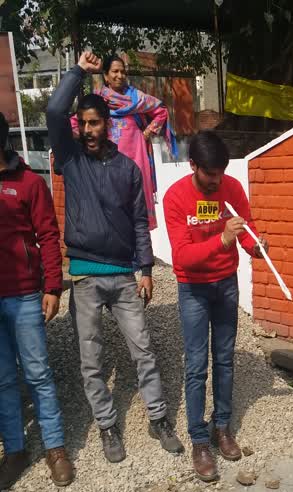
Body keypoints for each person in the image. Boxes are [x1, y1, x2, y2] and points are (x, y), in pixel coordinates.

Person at [47, 51, 182, 463]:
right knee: (91, 360)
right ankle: (107, 426)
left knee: (143, 349)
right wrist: (78, 73)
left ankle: (158, 419)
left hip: (125, 275)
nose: (88, 130)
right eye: (83, 123)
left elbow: (141, 222)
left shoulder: (128, 169)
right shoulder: (70, 160)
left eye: (95, 123)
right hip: (85, 276)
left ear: (108, 125)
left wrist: (145, 269)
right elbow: (55, 110)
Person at [163, 130, 267, 481]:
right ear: (193, 165)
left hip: (225, 284)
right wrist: (223, 238)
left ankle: (222, 427)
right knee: (195, 365)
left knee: (224, 358)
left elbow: (246, 228)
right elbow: (183, 255)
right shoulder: (176, 197)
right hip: (193, 288)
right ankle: (198, 439)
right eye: (210, 174)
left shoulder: (231, 188)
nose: (217, 181)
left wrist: (254, 246)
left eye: (220, 172)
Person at [0, 112, 75, 489]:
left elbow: (48, 235)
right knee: (2, 379)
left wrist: (52, 287)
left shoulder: (29, 183)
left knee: (38, 375)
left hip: (25, 294)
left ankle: (56, 449)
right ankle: (14, 451)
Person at [69, 54, 177, 231]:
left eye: (123, 71)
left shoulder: (137, 98)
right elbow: (74, 122)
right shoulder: (98, 100)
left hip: (136, 157)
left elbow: (161, 111)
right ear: (105, 75)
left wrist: (148, 132)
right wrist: (86, 139)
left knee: (136, 211)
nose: (120, 75)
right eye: (115, 71)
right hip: (108, 160)